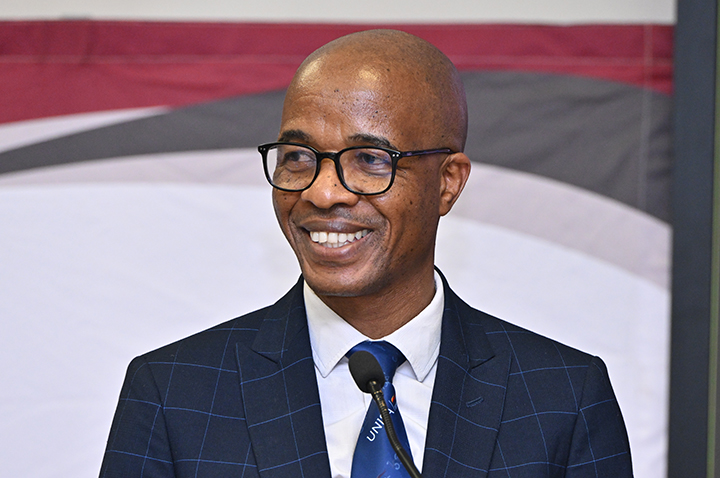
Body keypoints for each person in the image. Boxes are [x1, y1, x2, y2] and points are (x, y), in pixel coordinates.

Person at [100, 29, 633, 478]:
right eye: (298, 156)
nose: (322, 192)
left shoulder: (563, 398)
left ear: (447, 182)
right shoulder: (173, 393)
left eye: (371, 160)